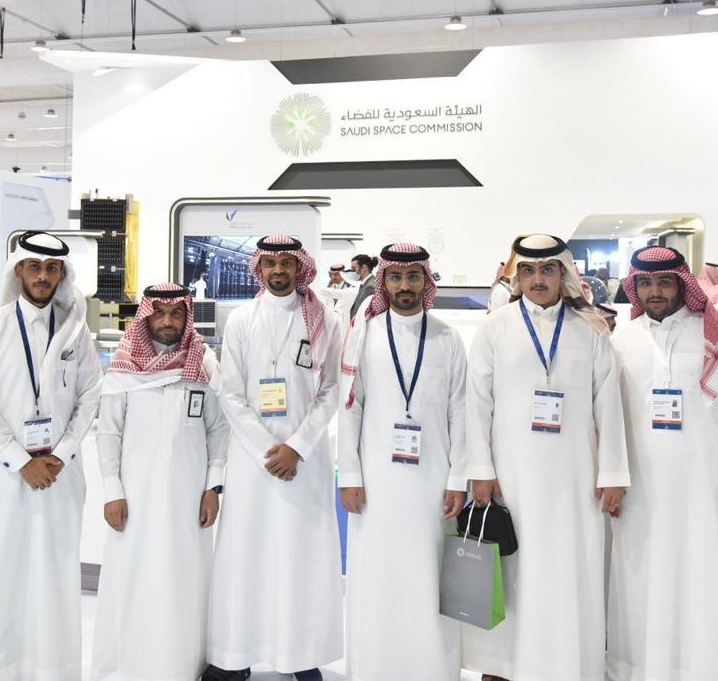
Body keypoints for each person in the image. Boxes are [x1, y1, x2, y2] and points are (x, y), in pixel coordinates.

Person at [463, 233, 629, 681]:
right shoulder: (494, 328)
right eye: (529, 271)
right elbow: (476, 403)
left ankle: (568, 665)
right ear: (517, 276)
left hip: (576, 477)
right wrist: (480, 469)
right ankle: (504, 666)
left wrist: (613, 473)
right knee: (516, 570)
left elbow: (608, 405)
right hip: (511, 476)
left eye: (548, 270)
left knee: (569, 568)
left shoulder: (590, 330)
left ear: (563, 274)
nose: (538, 279)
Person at [606, 246, 718, 681]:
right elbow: (607, 416)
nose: (654, 292)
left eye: (664, 282)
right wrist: (612, 477)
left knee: (702, 577)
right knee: (640, 579)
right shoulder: (621, 340)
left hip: (705, 485)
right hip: (640, 488)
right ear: (634, 287)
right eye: (645, 283)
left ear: (682, 283)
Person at [0, 232, 102, 680]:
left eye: (52, 268)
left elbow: (91, 395)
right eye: (35, 267)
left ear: (62, 274)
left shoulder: (76, 330)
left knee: (54, 574)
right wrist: (20, 460)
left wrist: (61, 453)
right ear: (18, 270)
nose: (43, 276)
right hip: (5, 476)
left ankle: (52, 670)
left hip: (59, 474)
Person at [205, 235, 344, 681]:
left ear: (300, 267)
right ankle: (236, 655)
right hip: (254, 461)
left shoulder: (325, 319)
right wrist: (270, 449)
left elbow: (331, 391)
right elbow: (231, 392)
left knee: (301, 558)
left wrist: (296, 447)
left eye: (287, 262)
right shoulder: (242, 319)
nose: (279, 270)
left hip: (305, 460)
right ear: (259, 269)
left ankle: (301, 655)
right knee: (246, 556)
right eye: (270, 263)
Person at [337, 243, 468, 681]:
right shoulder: (364, 335)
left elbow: (460, 412)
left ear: (426, 281)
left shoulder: (447, 338)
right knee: (378, 574)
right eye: (395, 277)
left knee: (428, 575)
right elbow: (349, 408)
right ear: (384, 282)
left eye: (413, 277)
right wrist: (350, 475)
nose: (404, 285)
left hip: (433, 483)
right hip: (376, 480)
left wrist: (458, 478)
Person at [93, 282, 229, 681]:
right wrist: (113, 491)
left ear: (187, 316)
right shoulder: (124, 366)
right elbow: (109, 433)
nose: (168, 321)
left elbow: (219, 429)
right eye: (160, 313)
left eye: (176, 314)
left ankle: (182, 665)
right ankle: (128, 666)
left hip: (189, 497)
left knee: (186, 578)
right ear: (146, 316)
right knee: (134, 575)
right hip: (135, 496)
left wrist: (213, 487)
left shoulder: (203, 364)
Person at [348, 253, 378, 320]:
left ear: (364, 267)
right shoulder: (364, 284)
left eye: (354, 268)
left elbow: (365, 313)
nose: (352, 272)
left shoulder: (369, 287)